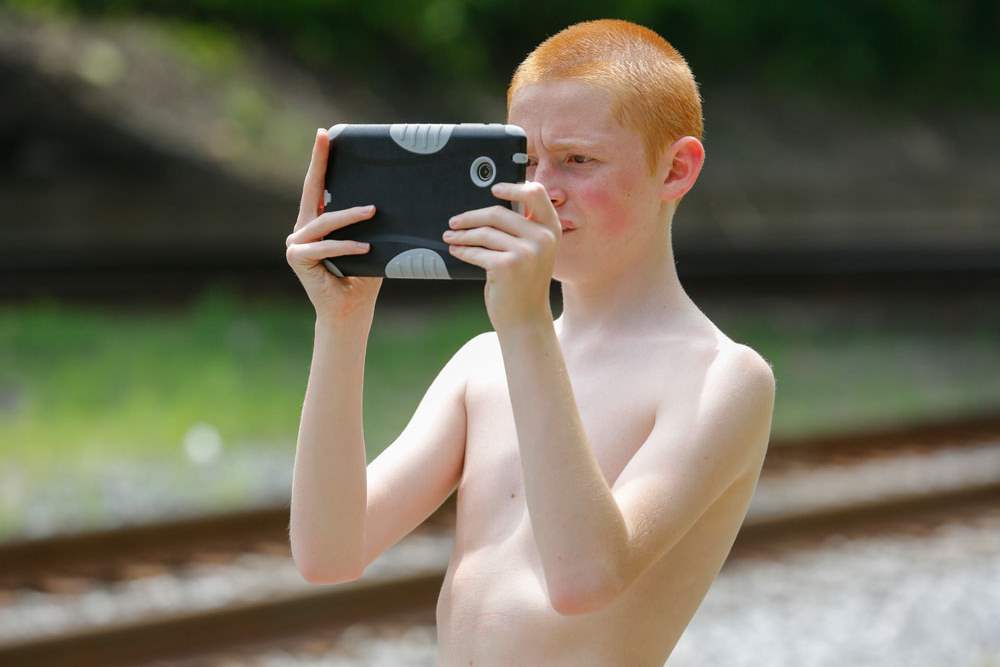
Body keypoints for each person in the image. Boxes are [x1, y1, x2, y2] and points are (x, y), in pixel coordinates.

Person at [285, 18, 775, 666]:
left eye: (578, 159)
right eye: (525, 160)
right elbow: (328, 550)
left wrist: (525, 322)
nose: (541, 190)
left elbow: (584, 577)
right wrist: (341, 326)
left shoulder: (722, 377)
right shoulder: (482, 365)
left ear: (676, 169)